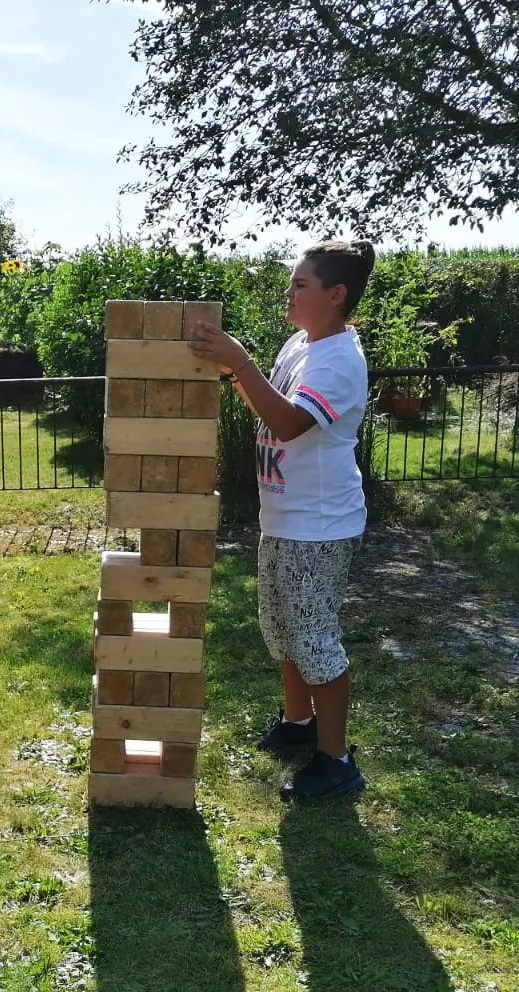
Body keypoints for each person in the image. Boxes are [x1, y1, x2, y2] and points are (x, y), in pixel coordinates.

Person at [187, 240, 375, 800]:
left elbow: (291, 424)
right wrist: (235, 368)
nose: (288, 293)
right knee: (281, 629)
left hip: (319, 525)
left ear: (335, 295)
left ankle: (336, 760)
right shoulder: (301, 345)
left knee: (315, 639)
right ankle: (299, 723)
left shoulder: (339, 360)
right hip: (284, 517)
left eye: (300, 284)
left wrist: (240, 361)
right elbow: (268, 408)